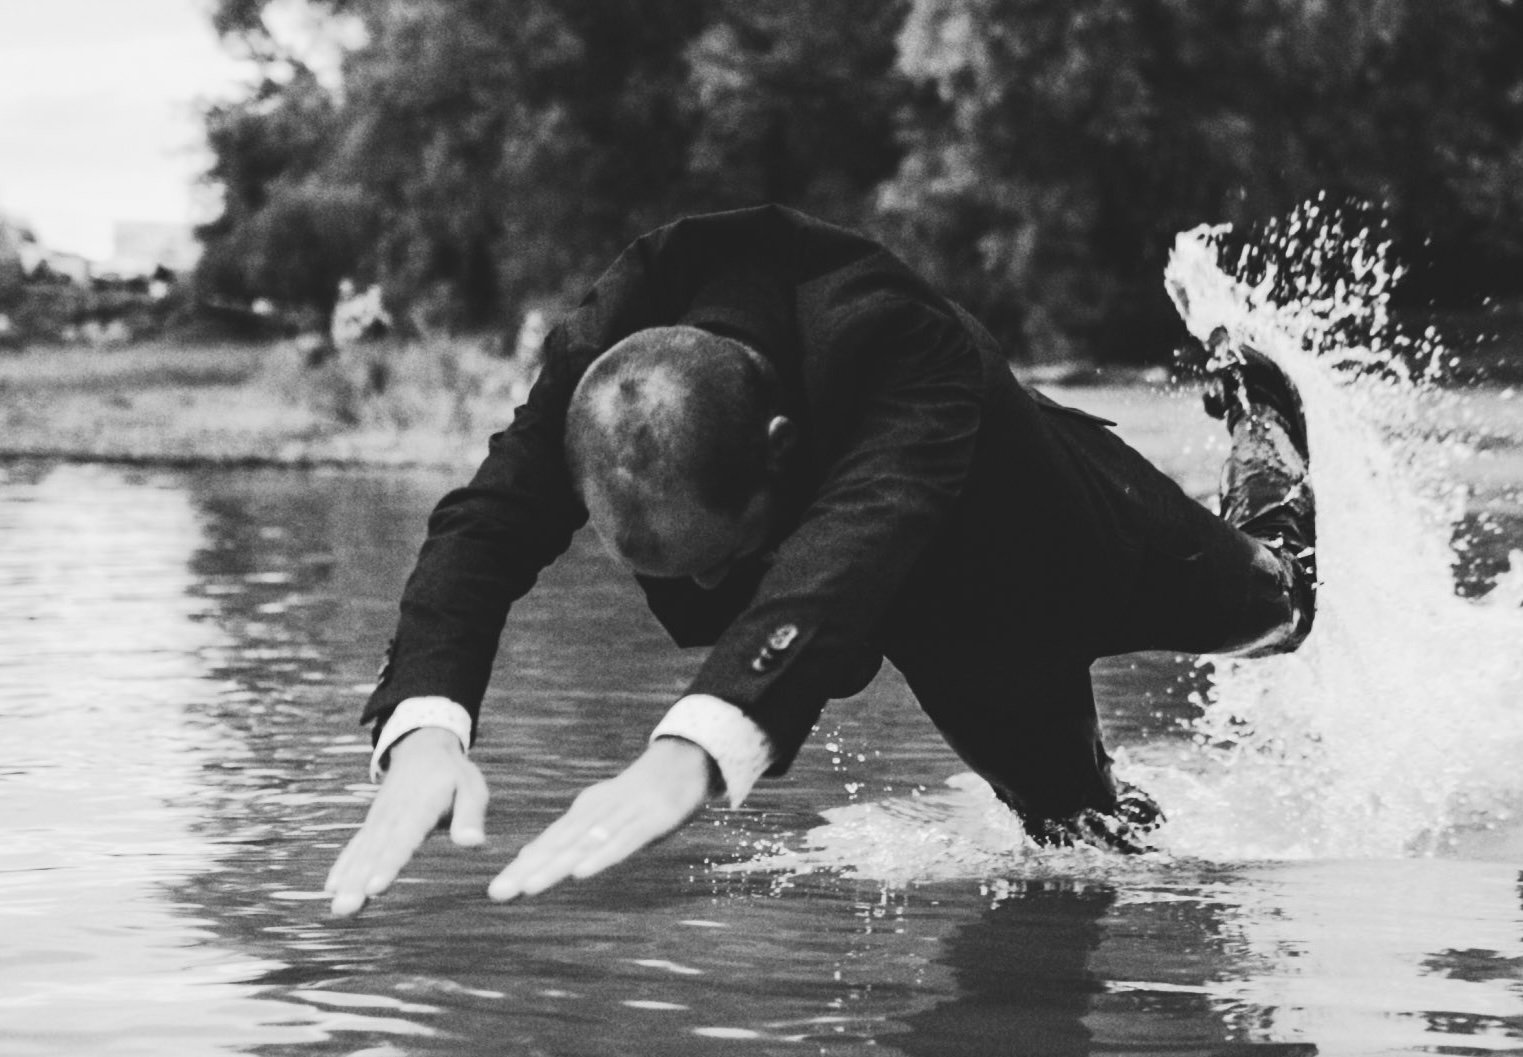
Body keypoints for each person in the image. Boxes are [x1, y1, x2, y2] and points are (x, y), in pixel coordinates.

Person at [325, 205, 1316, 916]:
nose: (704, 594)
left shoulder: (897, 347)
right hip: (933, 627)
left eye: (718, 561)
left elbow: (847, 552)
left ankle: (1260, 412)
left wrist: (690, 752)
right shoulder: (609, 368)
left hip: (1046, 543)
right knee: (1083, 847)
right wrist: (424, 733)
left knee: (1282, 606)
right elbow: (481, 529)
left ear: (781, 447)